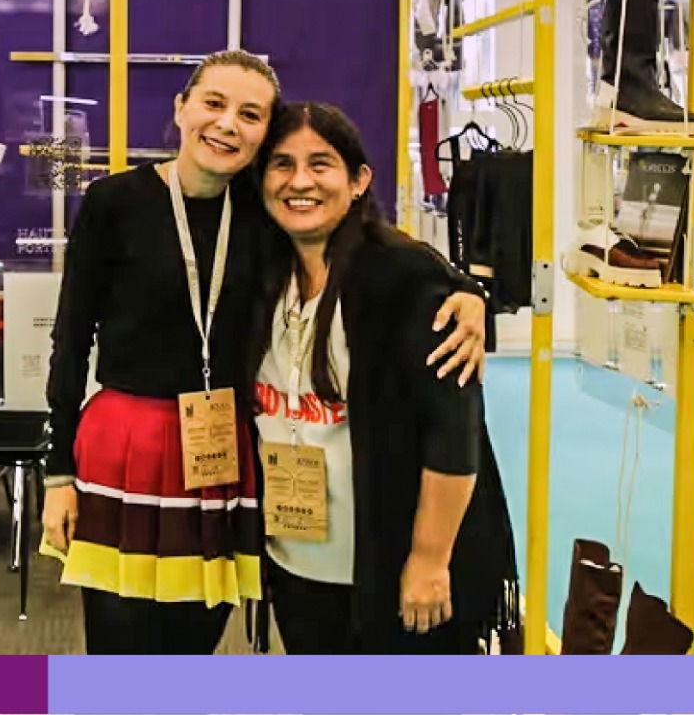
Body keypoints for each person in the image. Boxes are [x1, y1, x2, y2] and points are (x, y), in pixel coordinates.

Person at [39, 50, 491, 655]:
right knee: (120, 642)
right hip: (126, 447)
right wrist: (58, 472)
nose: (228, 123)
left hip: (223, 451)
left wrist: (468, 292)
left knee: (195, 640)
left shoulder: (263, 211)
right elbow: (70, 341)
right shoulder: (113, 203)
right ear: (181, 109)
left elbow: (379, 244)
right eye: (214, 104)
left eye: (250, 114)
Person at [246, 102, 522, 654]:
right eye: (282, 164)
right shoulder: (260, 273)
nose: (300, 181)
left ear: (357, 181)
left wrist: (429, 557)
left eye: (320, 164)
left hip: (395, 568)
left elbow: (453, 432)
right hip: (297, 559)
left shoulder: (402, 276)